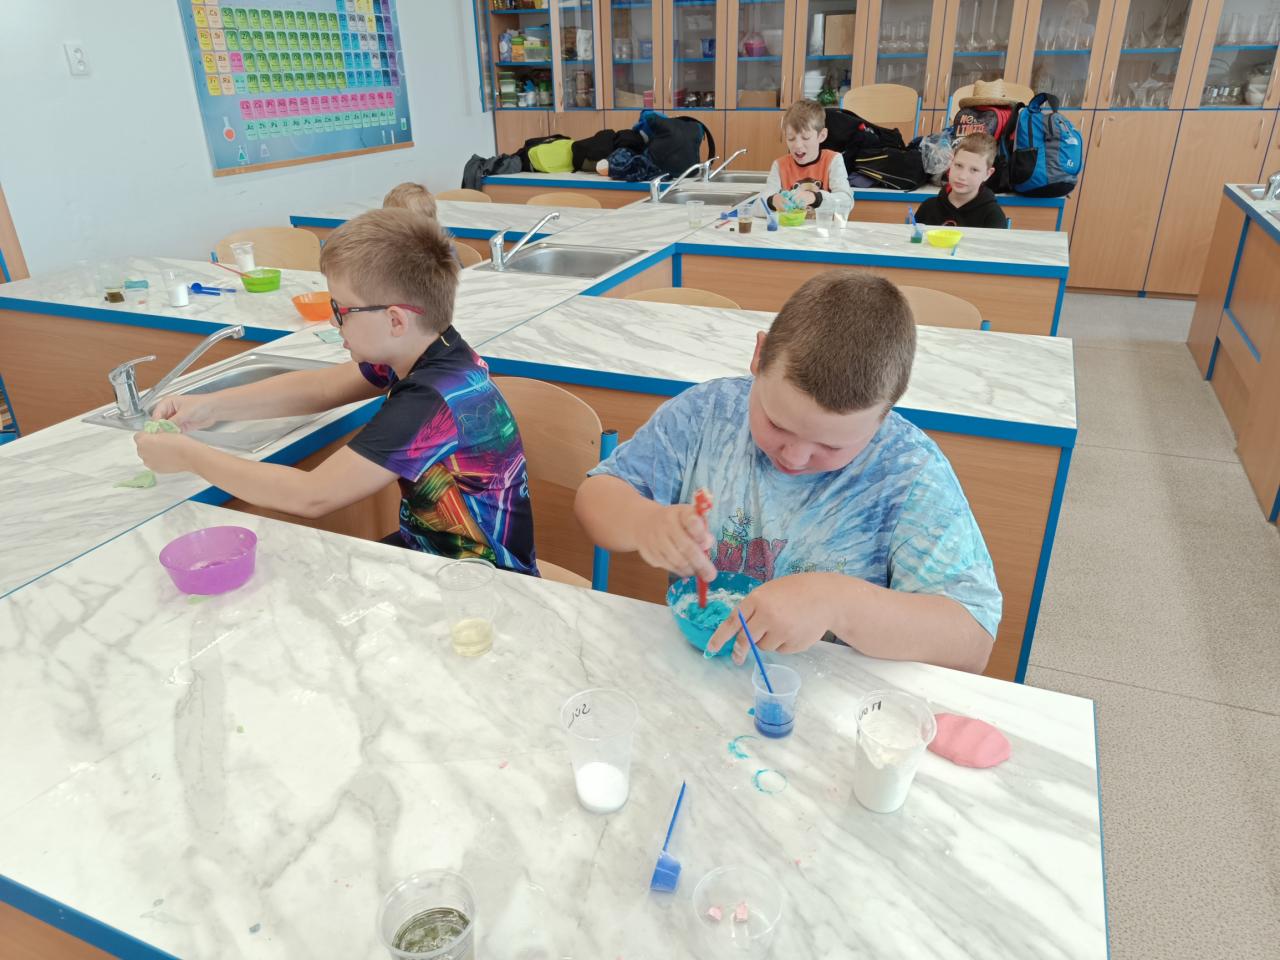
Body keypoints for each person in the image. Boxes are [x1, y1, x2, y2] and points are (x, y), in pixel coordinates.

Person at [574, 270, 1000, 673]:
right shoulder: (706, 416)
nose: (794, 457)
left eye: (831, 446)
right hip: (700, 671)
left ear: (884, 415)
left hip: (827, 696)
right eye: (776, 424)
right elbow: (596, 497)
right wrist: (643, 521)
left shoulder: (908, 471)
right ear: (759, 356)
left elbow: (972, 642)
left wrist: (840, 604)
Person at [134, 209, 538, 575]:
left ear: (395, 320)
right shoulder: (429, 348)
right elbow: (321, 387)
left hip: (483, 581)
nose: (333, 322)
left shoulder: (431, 399)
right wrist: (208, 407)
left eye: (341, 310)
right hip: (432, 554)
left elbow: (313, 496)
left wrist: (188, 456)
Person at [764, 99, 854, 213]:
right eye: (791, 138)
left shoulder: (833, 160)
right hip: (790, 225)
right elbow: (758, 206)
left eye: (805, 138)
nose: (797, 145)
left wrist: (815, 198)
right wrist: (771, 201)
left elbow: (847, 202)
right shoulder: (779, 165)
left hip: (823, 225)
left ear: (822, 136)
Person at [914, 132, 1008, 229]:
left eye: (974, 170)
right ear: (951, 163)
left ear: (988, 174)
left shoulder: (993, 216)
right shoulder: (928, 207)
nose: (962, 176)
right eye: (958, 165)